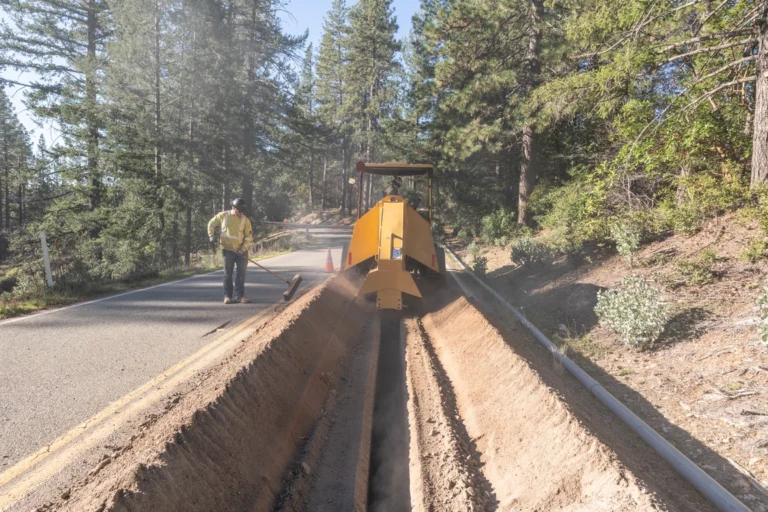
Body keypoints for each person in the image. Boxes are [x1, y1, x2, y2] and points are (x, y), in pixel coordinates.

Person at [208, 198, 254, 304]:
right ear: (233, 208)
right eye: (239, 211)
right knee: (227, 274)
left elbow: (248, 237)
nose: (241, 213)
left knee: (241, 274)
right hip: (228, 251)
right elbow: (211, 223)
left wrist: (242, 250)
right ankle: (227, 296)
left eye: (243, 211)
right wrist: (211, 236)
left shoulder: (245, 220)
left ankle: (239, 296)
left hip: (241, 252)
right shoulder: (223, 215)